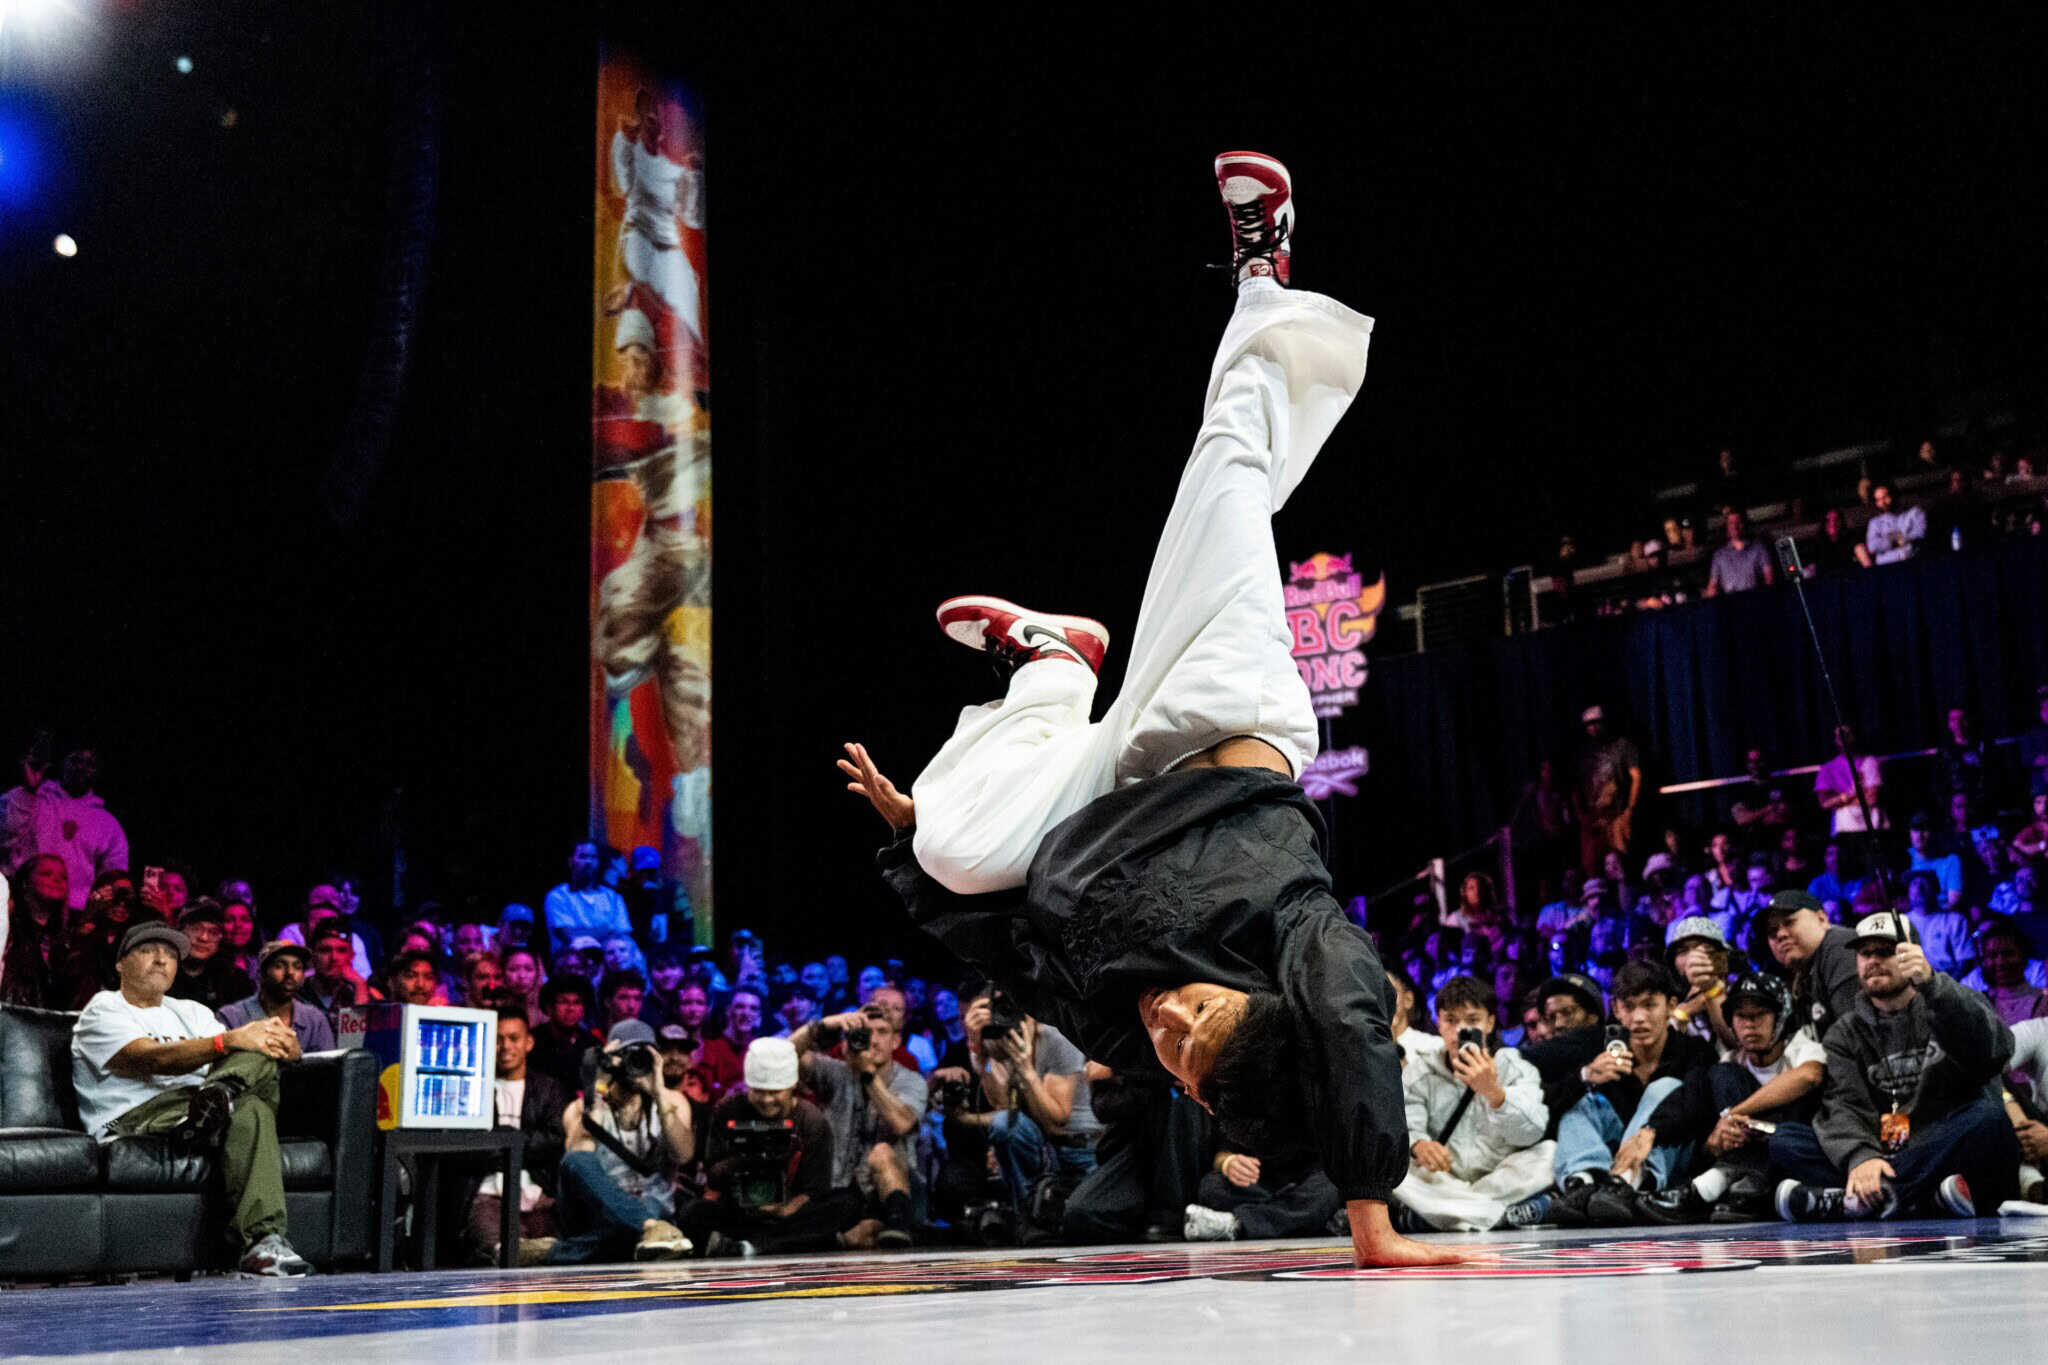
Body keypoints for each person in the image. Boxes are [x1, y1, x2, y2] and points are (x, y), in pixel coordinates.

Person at [841, 153, 1457, 1269]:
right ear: (1259, 1004)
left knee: (957, 850)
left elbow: (1011, 954)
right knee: (1225, 471)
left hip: (1110, 789)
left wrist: (902, 839)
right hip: (1219, 711)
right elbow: (1354, 1032)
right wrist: (1371, 1216)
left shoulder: (1128, 1020)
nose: (1168, 1030)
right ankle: (1262, 273)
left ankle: (1051, 666)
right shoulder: (1301, 946)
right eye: (1201, 1025)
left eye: (1176, 1057)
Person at [69, 922, 310, 1275]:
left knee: (253, 1101)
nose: (160, 959)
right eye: (148, 950)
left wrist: (287, 1047)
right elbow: (152, 1058)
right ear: (120, 963)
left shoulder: (190, 1011)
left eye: (169, 954)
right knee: (248, 1080)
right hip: (137, 1115)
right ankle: (217, 1104)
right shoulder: (105, 1008)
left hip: (197, 1103)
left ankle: (263, 1244)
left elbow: (246, 1052)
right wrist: (228, 1042)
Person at [1774, 911, 2019, 1220]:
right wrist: (1861, 1157)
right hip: (1884, 1149)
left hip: (1940, 1143)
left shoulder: (1953, 1000)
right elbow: (1844, 1103)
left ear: (1912, 954)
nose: (1872, 960)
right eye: (1865, 953)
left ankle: (1856, 1201)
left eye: (1885, 951)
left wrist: (1933, 985)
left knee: (1987, 1118)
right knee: (1787, 1140)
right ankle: (1922, 1198)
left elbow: (1994, 1054)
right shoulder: (1844, 1032)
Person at [1631, 973, 1826, 1224]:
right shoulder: (1732, 1060)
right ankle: (1733, 1185)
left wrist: (1732, 1115)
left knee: (1783, 1135)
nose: (1749, 1025)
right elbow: (1706, 1127)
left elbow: (1809, 1077)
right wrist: (1714, 1140)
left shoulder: (1802, 1048)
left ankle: (1710, 1187)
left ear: (1780, 1017)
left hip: (1789, 1150)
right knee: (1722, 1074)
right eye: (1741, 1016)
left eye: (1759, 1015)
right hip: (1747, 1156)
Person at [1543, 962, 1716, 1225]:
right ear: (1616, 1009)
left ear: (1671, 1005)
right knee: (1581, 1101)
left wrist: (1651, 1131)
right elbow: (1545, 1108)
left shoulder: (1694, 1050)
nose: (1638, 1018)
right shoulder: (1599, 1048)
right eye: (1629, 1006)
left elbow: (1696, 1104)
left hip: (1671, 1163)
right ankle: (1583, 1184)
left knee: (1665, 1088)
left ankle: (1626, 1182)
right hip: (1609, 1168)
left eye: (1649, 1005)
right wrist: (1586, 1077)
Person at [1388, 976, 1552, 1231]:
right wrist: (1419, 1144)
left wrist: (1495, 1093)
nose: (1460, 1031)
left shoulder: (1514, 1066)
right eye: (1451, 1020)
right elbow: (1405, 1125)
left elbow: (1532, 1132)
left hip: (1499, 1176)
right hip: (1442, 1178)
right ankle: (1496, 1215)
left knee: (1548, 1154)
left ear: (1489, 1023)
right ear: (1438, 1023)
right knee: (1397, 1175)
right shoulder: (1419, 1072)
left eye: (1472, 1020)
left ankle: (1451, 1215)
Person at [676, 1036, 840, 1257]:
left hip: (789, 1215)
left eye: (775, 1092)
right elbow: (712, 1175)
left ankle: (751, 1246)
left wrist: (784, 1209)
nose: (766, 1100)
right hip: (738, 1212)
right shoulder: (729, 1110)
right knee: (692, 1212)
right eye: (759, 1091)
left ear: (792, 1086)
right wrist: (744, 1158)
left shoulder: (812, 1121)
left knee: (840, 1208)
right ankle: (760, 1244)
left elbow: (817, 1189)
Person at [547, 1019, 694, 1263]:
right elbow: (577, 1158)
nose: (634, 1063)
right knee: (576, 1159)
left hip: (654, 1205)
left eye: (644, 1055)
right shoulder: (581, 1107)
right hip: (601, 1212)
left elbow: (683, 1155)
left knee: (639, 1213)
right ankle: (647, 1227)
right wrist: (599, 1083)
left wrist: (658, 1092)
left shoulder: (673, 1101)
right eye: (627, 1055)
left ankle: (557, 1252)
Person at [789, 1003, 927, 1249]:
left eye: (882, 1032)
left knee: (882, 1153)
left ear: (896, 1041)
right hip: (843, 1191)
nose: (872, 1040)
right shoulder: (836, 1072)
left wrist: (868, 1075)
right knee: (858, 1234)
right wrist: (825, 1024)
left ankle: (895, 1225)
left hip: (897, 1192)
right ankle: (855, 1237)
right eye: (865, 1032)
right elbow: (784, 1057)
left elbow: (901, 1123)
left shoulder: (912, 1080)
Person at [468, 1005, 568, 1263]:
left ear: (529, 1042)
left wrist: (508, 1140)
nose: (506, 1047)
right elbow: (473, 1145)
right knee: (501, 1250)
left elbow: (556, 1140)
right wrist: (518, 1144)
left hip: (537, 1193)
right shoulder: (473, 1088)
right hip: (487, 1193)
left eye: (514, 1038)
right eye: (498, 1039)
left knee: (550, 1254)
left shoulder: (549, 1089)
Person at [2, 744, 129, 911]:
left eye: (89, 764)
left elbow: (114, 876)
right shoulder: (30, 799)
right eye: (76, 760)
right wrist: (28, 791)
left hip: (74, 913)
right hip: (21, 903)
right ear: (62, 762)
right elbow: (4, 837)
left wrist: (93, 911)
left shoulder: (108, 824)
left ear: (97, 772)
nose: (81, 767)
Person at [1759, 890, 1865, 1040]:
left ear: (1822, 919)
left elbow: (1855, 1036)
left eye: (1789, 922)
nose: (1780, 935)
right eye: (1772, 931)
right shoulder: (1802, 974)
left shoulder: (1840, 946)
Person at [219, 940, 337, 1054]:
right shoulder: (231, 1017)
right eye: (279, 966)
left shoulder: (315, 1019)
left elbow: (329, 1069)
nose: (290, 972)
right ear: (261, 974)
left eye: (297, 967)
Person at [1574, 706, 1644, 875]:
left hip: (1617, 816)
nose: (1593, 728)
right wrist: (1581, 816)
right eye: (1589, 725)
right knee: (1594, 868)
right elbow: (1575, 787)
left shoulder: (1622, 746)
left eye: (1596, 723)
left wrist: (1630, 810)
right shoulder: (1584, 753)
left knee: (1622, 865)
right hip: (1593, 822)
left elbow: (1636, 776)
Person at [544, 842, 634, 956]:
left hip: (608, 964)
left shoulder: (613, 898)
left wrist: (583, 932)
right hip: (571, 965)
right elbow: (570, 937)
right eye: (583, 857)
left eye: (593, 857)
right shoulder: (558, 896)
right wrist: (607, 929)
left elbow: (622, 937)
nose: (588, 862)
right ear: (571, 861)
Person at [168, 899, 255, 1013]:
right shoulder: (163, 970)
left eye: (213, 932)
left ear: (220, 939)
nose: (204, 938)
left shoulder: (235, 979)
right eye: (196, 929)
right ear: (181, 930)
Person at [530, 974, 603, 1094]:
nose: (570, 1008)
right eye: (564, 1002)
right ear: (549, 1008)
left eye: (576, 1002)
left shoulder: (593, 1045)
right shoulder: (533, 1041)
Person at [1814, 724, 1886, 840]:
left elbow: (1872, 799)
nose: (1844, 738)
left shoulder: (1869, 762)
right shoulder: (1827, 768)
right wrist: (1852, 794)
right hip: (1844, 831)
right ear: (1835, 740)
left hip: (1871, 826)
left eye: (1847, 734)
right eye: (1840, 735)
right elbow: (1824, 803)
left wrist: (1840, 803)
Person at [695, 984, 763, 1102]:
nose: (746, 1013)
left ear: (758, 1015)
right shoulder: (708, 1048)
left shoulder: (761, 1050)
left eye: (753, 1008)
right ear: (728, 1011)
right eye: (740, 1007)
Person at [1704, 510, 1774, 596]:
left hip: (1755, 599)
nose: (1735, 526)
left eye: (1738, 522)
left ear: (1744, 524)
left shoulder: (1759, 549)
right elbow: (1713, 584)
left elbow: (1769, 579)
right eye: (1731, 523)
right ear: (1727, 527)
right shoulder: (1719, 555)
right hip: (1731, 604)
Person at [1864, 482, 1927, 565]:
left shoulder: (1915, 513)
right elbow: (1872, 547)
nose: (1883, 502)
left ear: (1894, 495)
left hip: (1913, 562)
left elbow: (1920, 534)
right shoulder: (1875, 523)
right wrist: (1896, 539)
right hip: (1887, 567)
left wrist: (1889, 538)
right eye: (1878, 500)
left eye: (1885, 497)